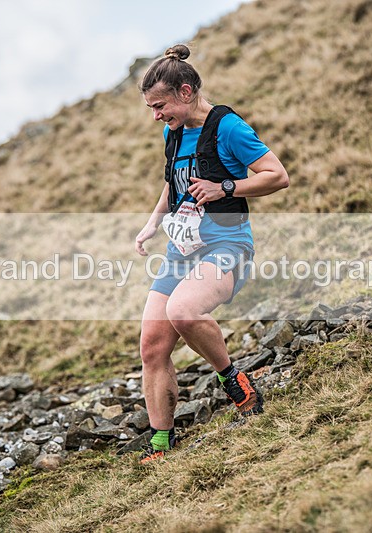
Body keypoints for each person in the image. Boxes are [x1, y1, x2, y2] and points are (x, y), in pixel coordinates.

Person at [134, 44, 289, 463]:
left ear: (186, 92)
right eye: (151, 108)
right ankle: (161, 443)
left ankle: (233, 379)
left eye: (160, 105)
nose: (156, 116)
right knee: (152, 343)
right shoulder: (173, 132)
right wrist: (153, 222)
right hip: (182, 250)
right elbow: (175, 181)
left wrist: (225, 188)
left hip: (227, 244)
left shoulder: (228, 128)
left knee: (184, 312)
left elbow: (278, 175)